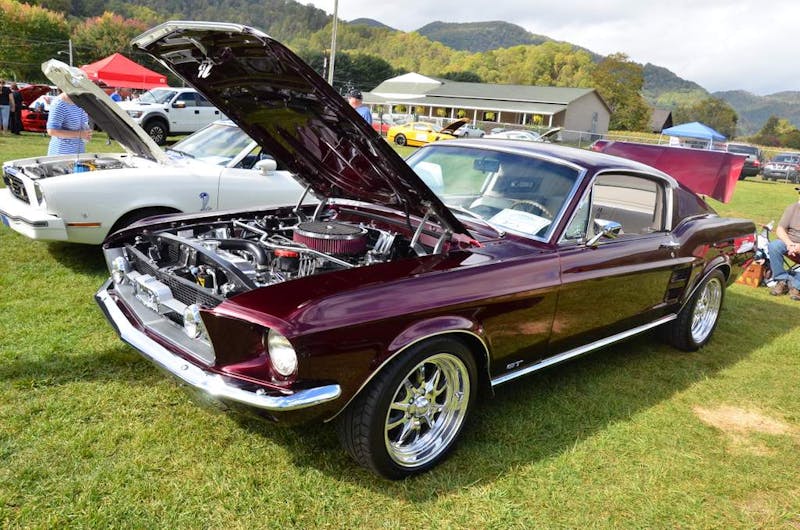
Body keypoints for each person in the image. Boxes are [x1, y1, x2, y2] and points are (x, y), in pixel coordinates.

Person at [768, 188, 800, 300]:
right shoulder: (792, 208)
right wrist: (790, 244)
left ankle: (796, 286)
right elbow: (780, 229)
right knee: (774, 246)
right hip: (790, 244)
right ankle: (782, 280)